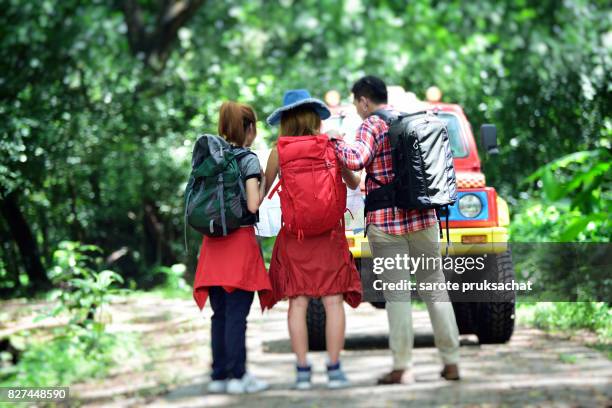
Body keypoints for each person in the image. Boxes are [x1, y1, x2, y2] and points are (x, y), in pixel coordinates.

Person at [329, 76, 461, 384]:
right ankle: (451, 361)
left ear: (364, 100)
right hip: (424, 219)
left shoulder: (371, 124)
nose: (356, 107)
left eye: (355, 102)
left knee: (398, 295)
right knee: (435, 289)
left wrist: (334, 139)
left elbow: (356, 160)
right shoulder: (412, 120)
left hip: (387, 224)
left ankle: (403, 367)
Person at [263, 89, 362, 390]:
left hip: (296, 237)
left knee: (298, 303)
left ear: (286, 120)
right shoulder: (331, 146)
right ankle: (334, 369)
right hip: (330, 236)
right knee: (333, 302)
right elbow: (355, 181)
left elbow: (263, 190)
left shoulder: (278, 151)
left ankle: (303, 371)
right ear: (314, 117)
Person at [192, 101, 271, 395]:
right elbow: (252, 204)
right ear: (249, 129)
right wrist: (263, 184)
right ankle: (239, 376)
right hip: (239, 246)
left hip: (212, 248)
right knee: (237, 315)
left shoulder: (210, 159)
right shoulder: (247, 159)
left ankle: (219, 376)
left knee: (220, 315)